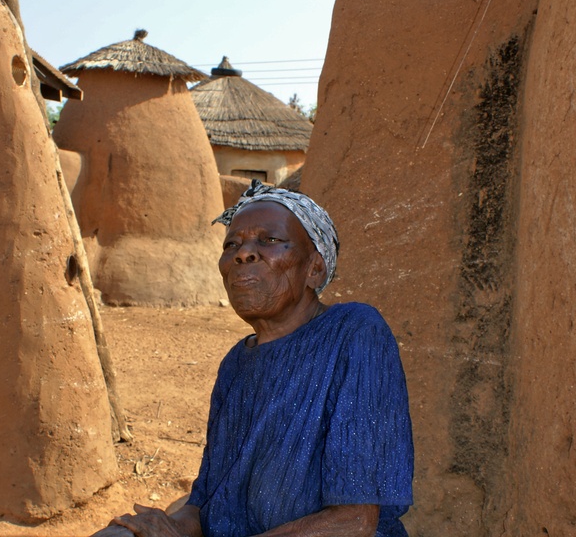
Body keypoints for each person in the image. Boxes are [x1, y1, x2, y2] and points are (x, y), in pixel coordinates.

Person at [92, 180, 413, 537]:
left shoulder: (354, 333)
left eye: (269, 240)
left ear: (314, 270)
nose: (244, 253)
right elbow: (205, 503)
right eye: (232, 244)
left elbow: (352, 522)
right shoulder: (236, 363)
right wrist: (167, 527)